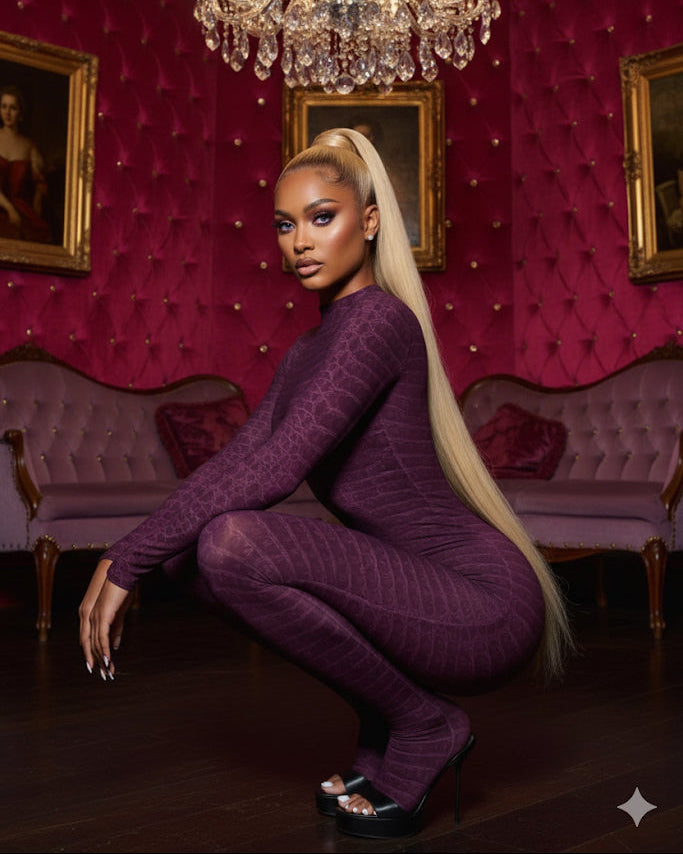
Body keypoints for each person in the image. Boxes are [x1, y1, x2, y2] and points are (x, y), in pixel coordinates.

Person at [79, 128, 573, 839]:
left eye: (321, 217)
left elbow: (275, 472)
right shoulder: (309, 350)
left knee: (231, 542)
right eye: (285, 225)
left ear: (368, 222)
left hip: (482, 606)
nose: (300, 242)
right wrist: (136, 552)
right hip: (416, 594)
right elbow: (234, 463)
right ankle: (387, 727)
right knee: (189, 553)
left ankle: (423, 725)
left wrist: (127, 557)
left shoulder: (378, 322)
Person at [0, 84, 52, 243]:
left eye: (13, 108)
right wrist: (10, 209)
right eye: (4, 107)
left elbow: (39, 187)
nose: (7, 113)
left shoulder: (29, 146)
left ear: (21, 113)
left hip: (22, 210)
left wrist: (34, 214)